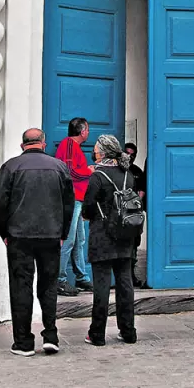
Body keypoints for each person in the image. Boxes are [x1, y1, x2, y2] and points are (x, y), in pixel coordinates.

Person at [0, 128, 74, 357]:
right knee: (48, 287)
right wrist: (63, 233)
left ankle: (24, 342)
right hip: (50, 235)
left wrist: (3, 232)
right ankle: (50, 336)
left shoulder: (11, 167)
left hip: (19, 236)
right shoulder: (59, 167)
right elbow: (69, 204)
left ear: (22, 144)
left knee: (21, 287)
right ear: (43, 143)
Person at [82, 135, 139, 346]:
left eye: (96, 149)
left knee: (102, 286)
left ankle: (97, 334)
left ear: (103, 152)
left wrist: (88, 216)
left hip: (102, 236)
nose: (94, 151)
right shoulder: (128, 175)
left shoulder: (98, 176)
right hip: (125, 236)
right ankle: (128, 331)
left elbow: (88, 206)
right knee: (125, 285)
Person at [54, 117, 94, 296]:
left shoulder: (72, 146)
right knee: (69, 240)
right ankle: (60, 280)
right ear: (82, 130)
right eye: (87, 129)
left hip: (77, 198)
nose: (88, 132)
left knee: (79, 240)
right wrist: (89, 171)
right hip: (71, 199)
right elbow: (69, 171)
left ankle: (81, 276)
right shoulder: (70, 145)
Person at [123, 142, 147, 289]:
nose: (129, 157)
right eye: (127, 153)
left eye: (133, 155)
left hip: (134, 216)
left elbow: (142, 191)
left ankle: (131, 275)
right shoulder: (118, 170)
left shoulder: (137, 171)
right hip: (119, 215)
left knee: (133, 247)